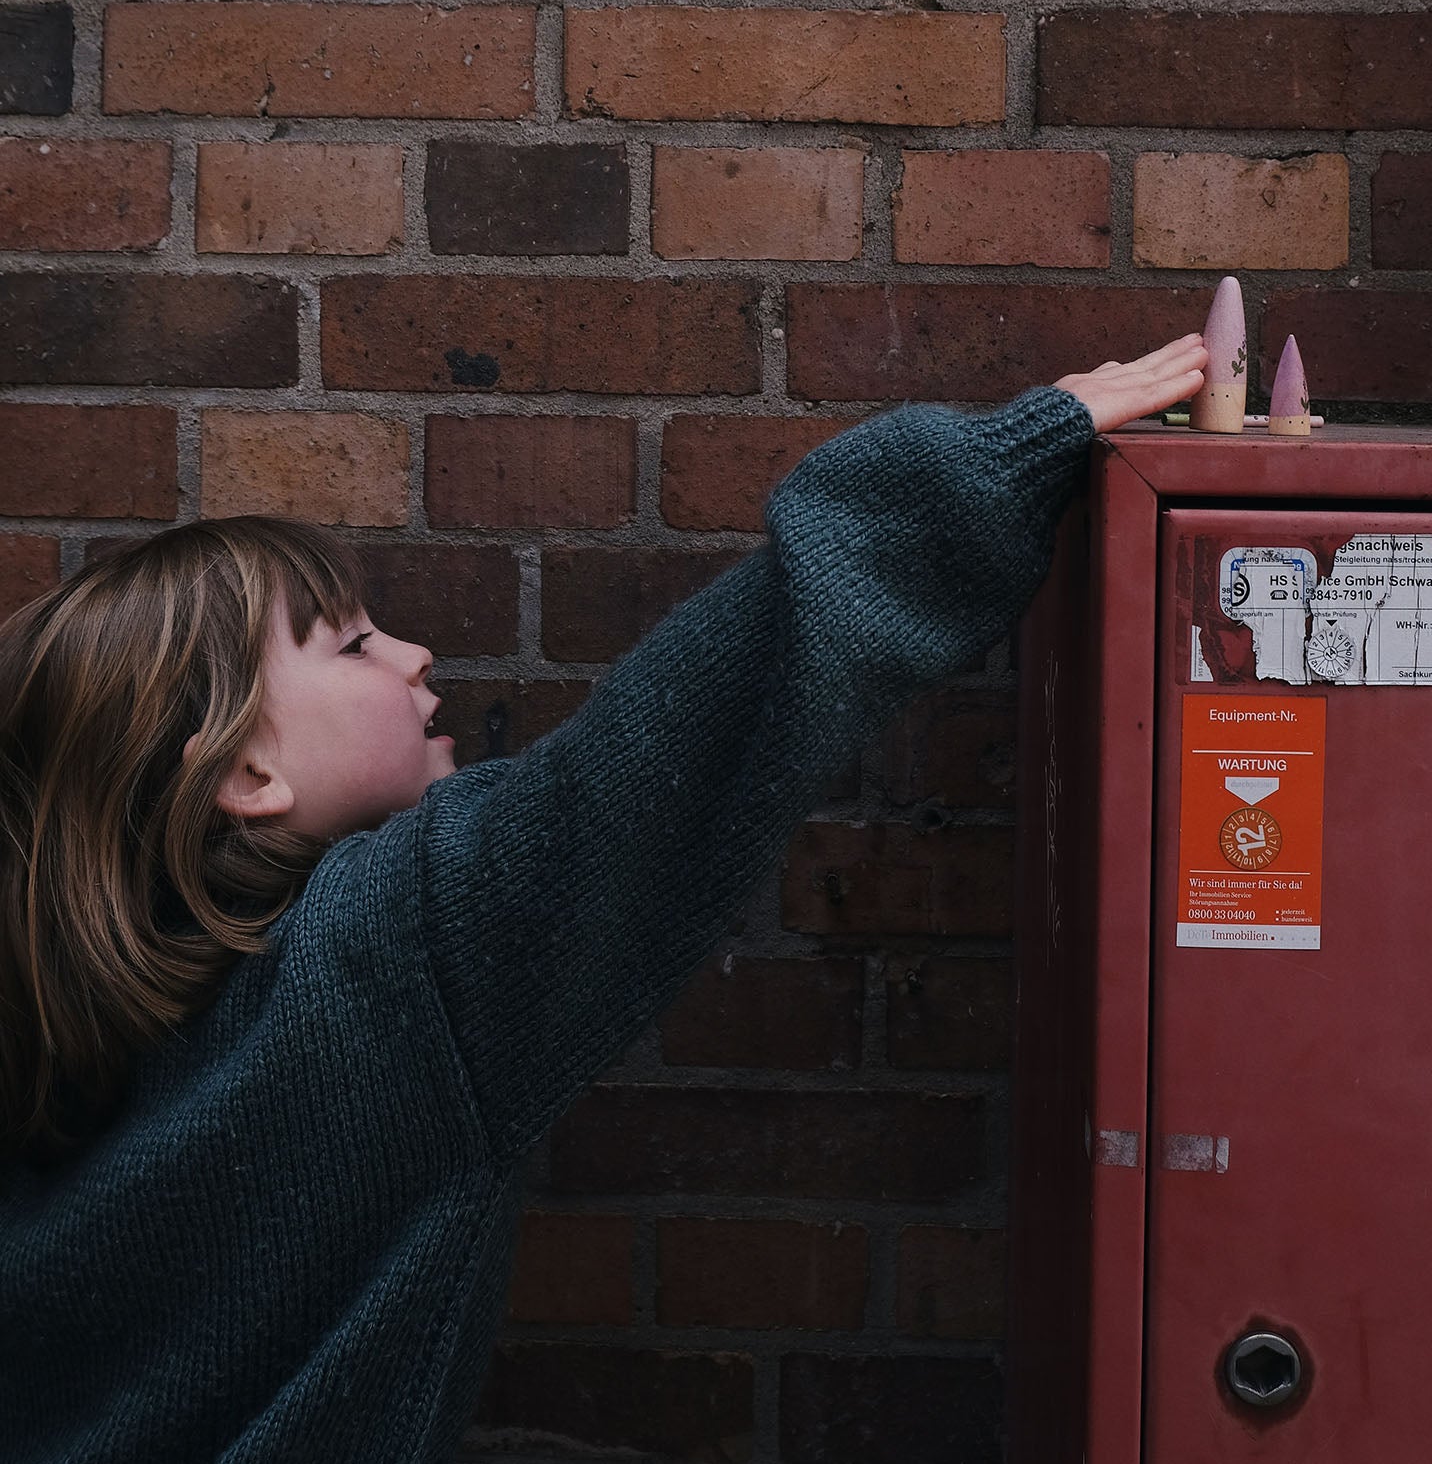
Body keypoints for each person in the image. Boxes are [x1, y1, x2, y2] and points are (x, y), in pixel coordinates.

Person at [0, 336, 1206, 1462]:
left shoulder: (60, 1025)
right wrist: (994, 464)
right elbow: (677, 740)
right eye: (353, 646)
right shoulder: (390, 960)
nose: (416, 656)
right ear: (246, 775)